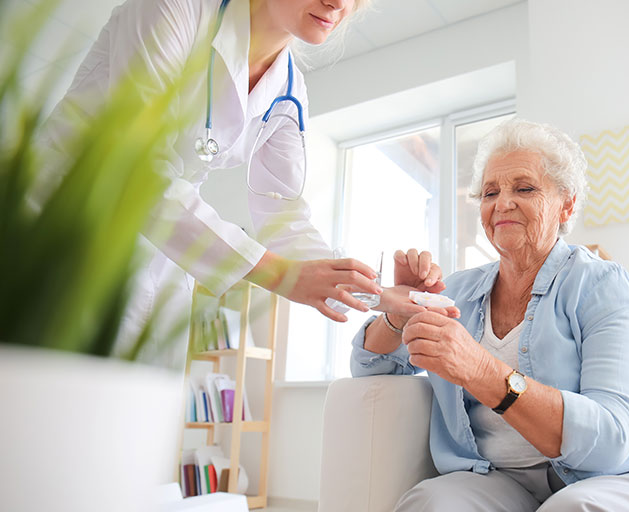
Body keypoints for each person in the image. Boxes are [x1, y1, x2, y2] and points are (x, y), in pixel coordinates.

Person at [350, 119, 629, 512]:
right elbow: (372, 367)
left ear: (566, 205)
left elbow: (612, 435)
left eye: (524, 189)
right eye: (490, 193)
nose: (502, 202)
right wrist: (397, 314)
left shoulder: (600, 283)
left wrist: (482, 370)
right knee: (428, 511)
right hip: (508, 484)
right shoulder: (459, 292)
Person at [39, 0, 440, 366]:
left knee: (131, 423)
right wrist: (278, 274)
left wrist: (379, 297)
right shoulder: (174, 10)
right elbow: (136, 169)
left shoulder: (289, 90)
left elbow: (283, 215)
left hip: (158, 257)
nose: (339, 4)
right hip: (61, 225)